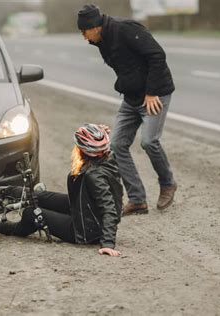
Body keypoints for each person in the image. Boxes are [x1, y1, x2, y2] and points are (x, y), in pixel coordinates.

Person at [77, 4, 177, 215]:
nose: (84, 38)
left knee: (149, 141)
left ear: (94, 27)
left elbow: (157, 55)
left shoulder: (126, 30)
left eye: (84, 32)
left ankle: (167, 183)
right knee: (116, 145)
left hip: (154, 95)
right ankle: (138, 199)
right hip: (132, 100)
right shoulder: (102, 41)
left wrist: (151, 92)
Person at [0, 124, 124, 256]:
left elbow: (109, 208)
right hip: (84, 208)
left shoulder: (94, 175)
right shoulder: (108, 157)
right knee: (39, 196)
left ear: (84, 150)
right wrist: (99, 133)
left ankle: (13, 228)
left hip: (85, 229)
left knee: (32, 213)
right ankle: (2, 191)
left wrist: (107, 244)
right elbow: (99, 145)